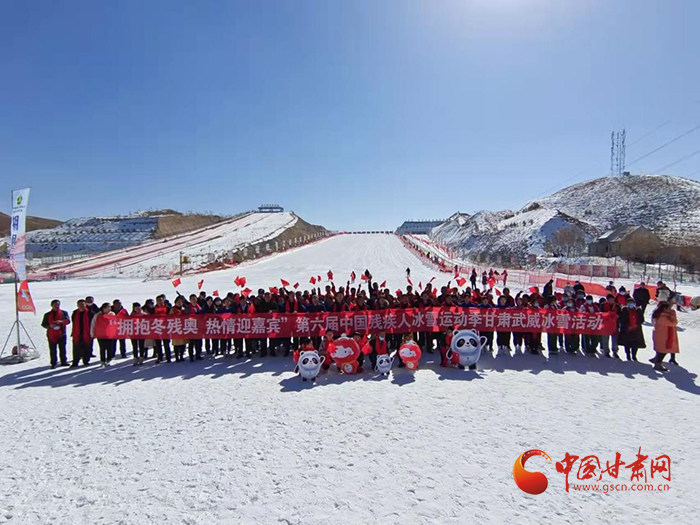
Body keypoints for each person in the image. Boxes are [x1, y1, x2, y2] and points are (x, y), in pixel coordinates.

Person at [41, 299, 70, 369]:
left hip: (61, 333)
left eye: (58, 304)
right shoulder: (47, 315)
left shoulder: (64, 313)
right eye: (55, 305)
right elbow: (44, 324)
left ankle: (63, 361)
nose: (57, 306)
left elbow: (68, 321)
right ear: (52, 305)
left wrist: (61, 321)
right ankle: (53, 363)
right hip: (51, 335)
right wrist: (50, 325)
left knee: (62, 349)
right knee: (53, 349)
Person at [650, 302, 679, 371]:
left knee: (661, 349)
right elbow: (673, 323)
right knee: (664, 350)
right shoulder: (663, 316)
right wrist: (672, 315)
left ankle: (657, 360)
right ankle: (658, 363)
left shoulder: (659, 314)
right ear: (665, 308)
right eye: (669, 308)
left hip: (662, 334)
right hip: (665, 335)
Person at [70, 299, 92, 368]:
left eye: (83, 304)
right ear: (77, 305)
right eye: (80, 305)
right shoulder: (75, 313)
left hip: (87, 333)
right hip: (77, 333)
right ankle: (75, 362)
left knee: (86, 348)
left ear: (85, 305)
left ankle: (86, 361)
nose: (81, 306)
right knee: (76, 348)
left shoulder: (90, 313)